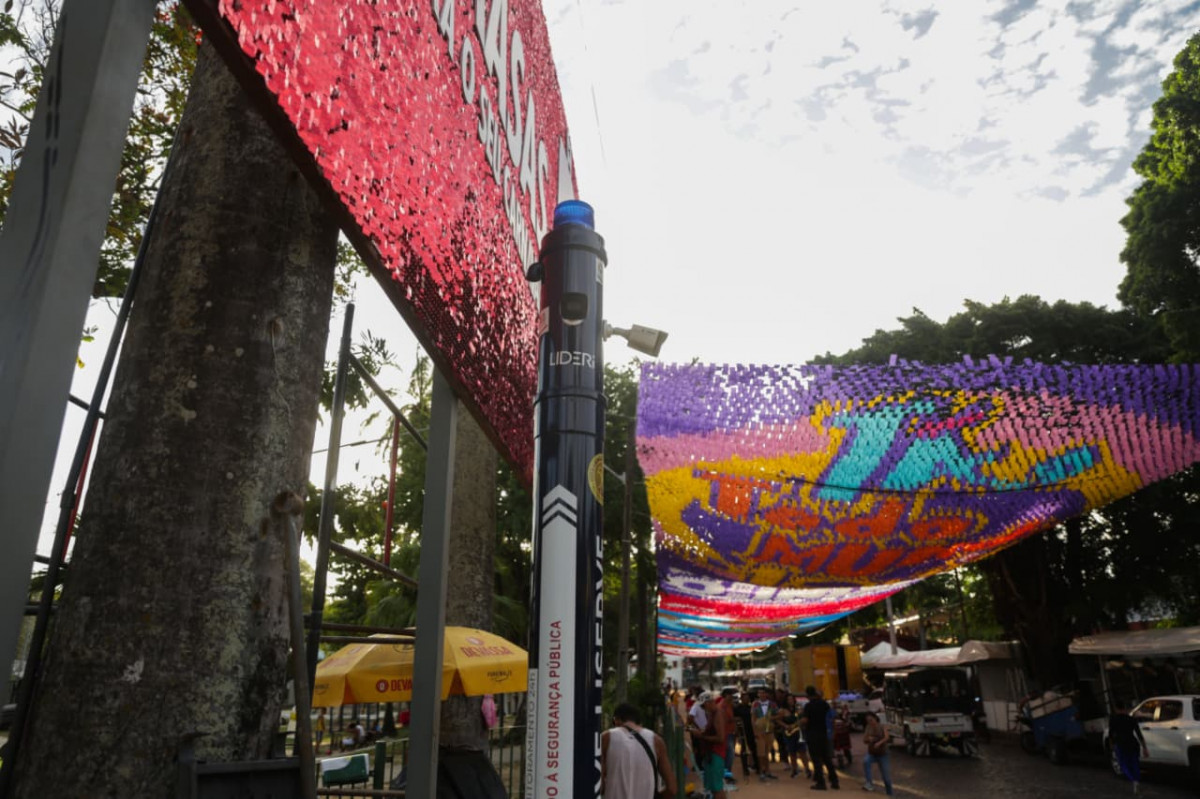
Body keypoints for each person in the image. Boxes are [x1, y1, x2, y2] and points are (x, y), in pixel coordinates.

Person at [601, 702, 677, 799]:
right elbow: (672, 788)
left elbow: (600, 785)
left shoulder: (606, 738)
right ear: (639, 722)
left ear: (616, 720)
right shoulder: (656, 740)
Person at [802, 685, 839, 790]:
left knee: (816, 759)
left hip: (812, 733)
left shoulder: (808, 706)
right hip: (823, 733)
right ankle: (834, 781)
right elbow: (831, 717)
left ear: (807, 695)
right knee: (827, 758)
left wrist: (800, 722)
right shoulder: (824, 704)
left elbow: (805, 720)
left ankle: (821, 782)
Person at [1108, 700, 1149, 793]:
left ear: (1116, 709)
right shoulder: (1131, 719)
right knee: (1135, 764)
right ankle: (1136, 780)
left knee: (1124, 765)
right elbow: (1139, 734)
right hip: (1133, 742)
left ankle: (1133, 780)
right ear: (1125, 708)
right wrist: (1144, 748)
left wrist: (1112, 745)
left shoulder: (1114, 720)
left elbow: (1111, 734)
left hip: (1122, 744)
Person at [696, 692, 728, 799]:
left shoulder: (718, 714)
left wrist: (702, 737)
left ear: (709, 702)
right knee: (714, 788)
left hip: (716, 753)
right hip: (711, 753)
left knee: (716, 788)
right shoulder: (711, 714)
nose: (703, 708)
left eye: (703, 705)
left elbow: (720, 738)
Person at [779, 694, 812, 779]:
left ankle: (807, 769)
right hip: (789, 733)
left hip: (799, 732)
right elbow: (778, 720)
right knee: (792, 752)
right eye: (789, 699)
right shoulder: (782, 710)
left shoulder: (798, 709)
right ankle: (794, 769)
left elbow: (804, 718)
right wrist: (785, 725)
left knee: (802, 752)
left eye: (792, 699)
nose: (791, 701)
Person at [750, 687, 779, 781]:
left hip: (769, 731)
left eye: (763, 693)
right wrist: (755, 732)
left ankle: (767, 770)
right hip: (760, 731)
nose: (761, 695)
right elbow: (753, 718)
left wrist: (771, 718)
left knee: (767, 752)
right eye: (759, 693)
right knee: (761, 753)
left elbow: (778, 715)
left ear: (766, 694)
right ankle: (762, 771)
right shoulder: (755, 704)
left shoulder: (772, 704)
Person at [861, 712, 893, 795]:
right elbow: (864, 739)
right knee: (866, 761)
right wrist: (869, 739)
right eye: (868, 720)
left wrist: (879, 743)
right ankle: (869, 783)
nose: (870, 722)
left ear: (875, 718)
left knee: (886, 778)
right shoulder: (868, 727)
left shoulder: (882, 726)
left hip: (883, 754)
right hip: (872, 752)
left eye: (871, 720)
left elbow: (887, 737)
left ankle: (890, 794)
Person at [732, 690, 760, 777]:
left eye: (748, 698)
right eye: (745, 698)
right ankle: (745, 769)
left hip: (751, 731)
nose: (746, 700)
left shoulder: (751, 707)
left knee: (754, 749)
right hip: (743, 731)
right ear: (741, 699)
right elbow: (734, 718)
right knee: (744, 750)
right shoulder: (737, 708)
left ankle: (757, 767)